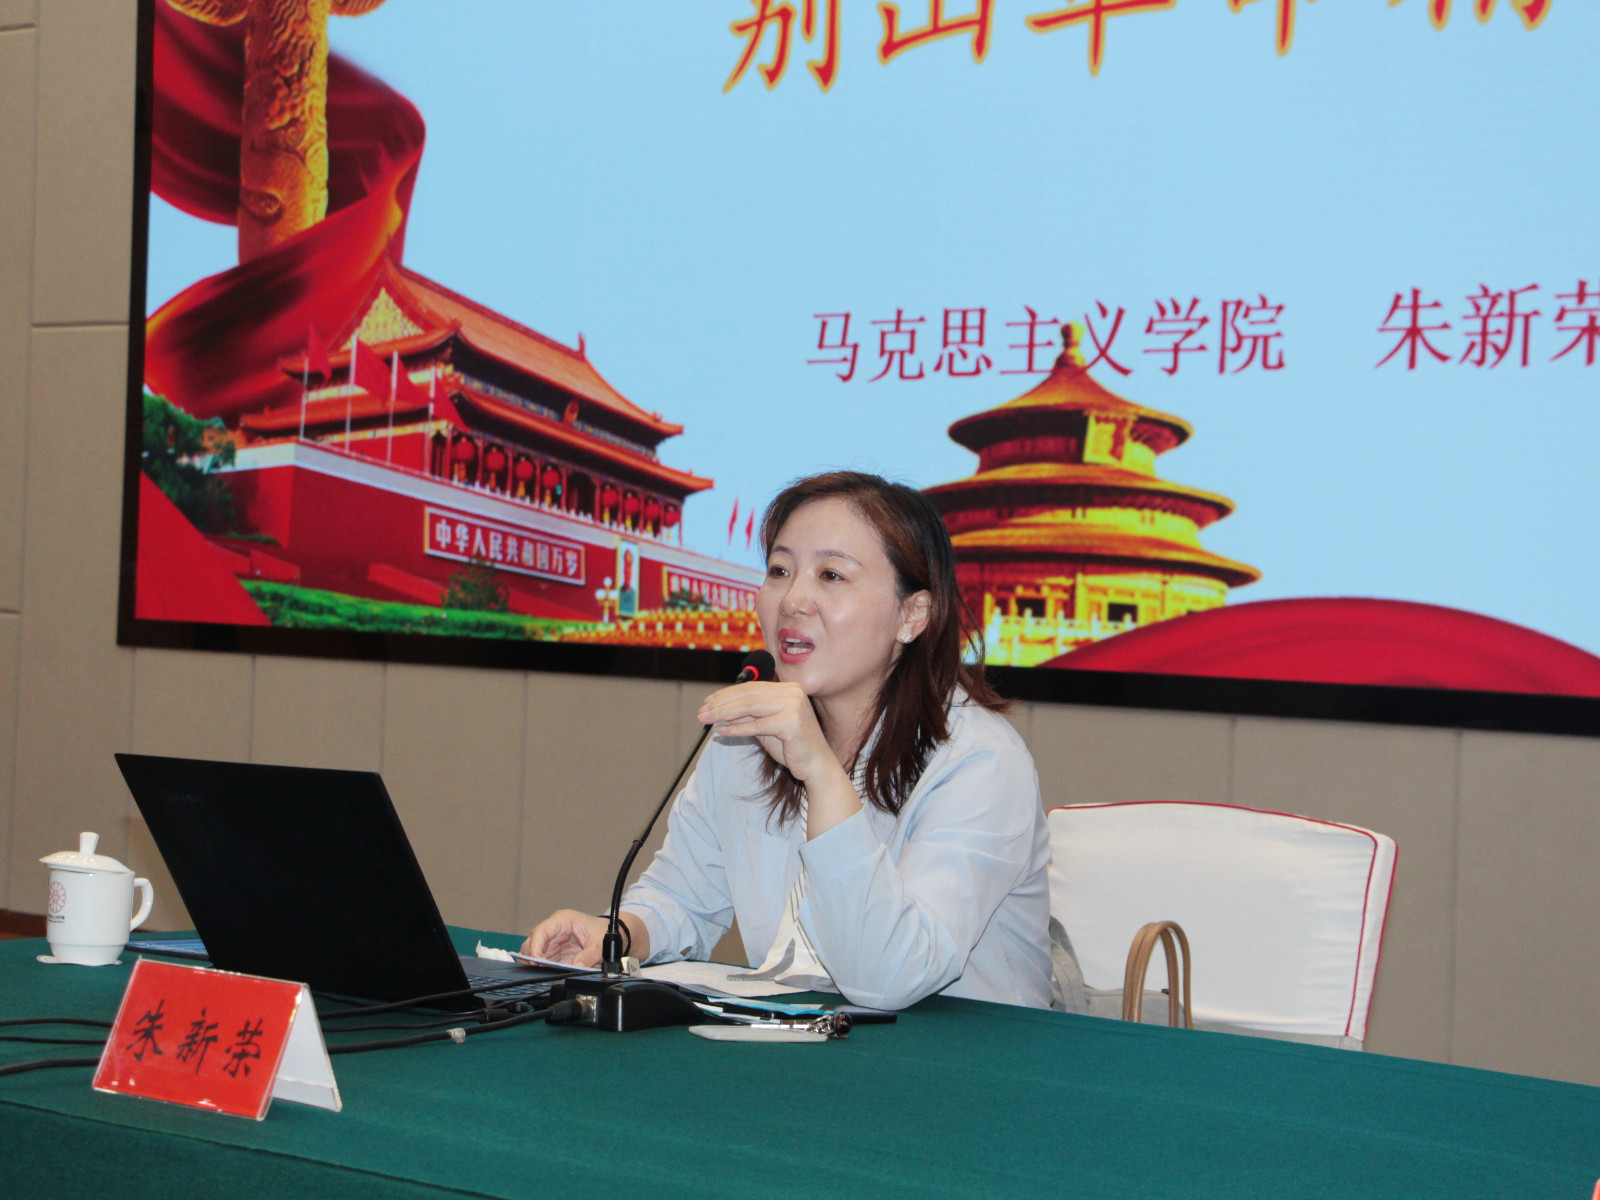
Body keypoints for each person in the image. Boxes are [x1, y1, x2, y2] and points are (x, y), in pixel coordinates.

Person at [524, 471, 1053, 1010]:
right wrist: (618, 933)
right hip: (807, 1037)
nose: (793, 600)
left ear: (912, 615)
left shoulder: (980, 761)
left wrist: (822, 775)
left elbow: (892, 976)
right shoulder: (748, 737)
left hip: (967, 1051)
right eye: (780, 571)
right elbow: (684, 897)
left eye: (832, 575)